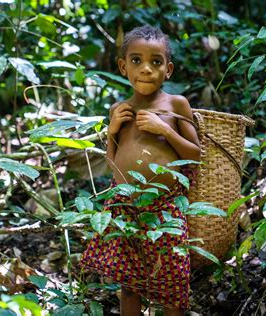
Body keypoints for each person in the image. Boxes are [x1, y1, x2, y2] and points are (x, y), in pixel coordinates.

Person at [80, 25, 201, 316]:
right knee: (128, 281)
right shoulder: (119, 109)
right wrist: (111, 131)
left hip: (165, 206)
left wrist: (165, 130)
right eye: (136, 60)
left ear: (168, 69)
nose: (146, 69)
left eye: (156, 62)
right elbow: (112, 161)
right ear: (123, 66)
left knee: (173, 278)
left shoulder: (176, 104)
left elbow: (195, 155)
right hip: (125, 204)